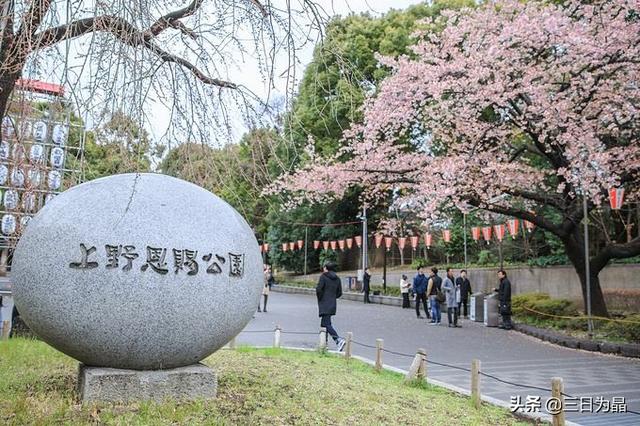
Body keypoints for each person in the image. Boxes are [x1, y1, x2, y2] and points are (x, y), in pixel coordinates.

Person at [316, 262, 346, 351]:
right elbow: (339, 293)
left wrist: (321, 298)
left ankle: (338, 340)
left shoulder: (323, 277)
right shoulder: (337, 279)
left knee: (327, 324)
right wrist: (332, 297)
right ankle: (324, 343)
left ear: (326, 268)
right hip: (332, 303)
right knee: (323, 324)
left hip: (324, 303)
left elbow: (319, 289)